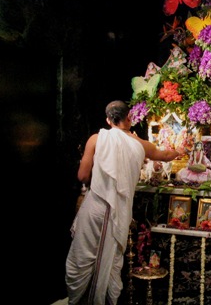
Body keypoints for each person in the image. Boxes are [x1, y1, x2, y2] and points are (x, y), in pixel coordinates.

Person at [65, 100, 185, 305]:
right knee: (108, 261)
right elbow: (165, 155)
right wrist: (180, 149)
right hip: (117, 212)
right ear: (129, 118)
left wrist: (100, 177)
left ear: (108, 120)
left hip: (94, 207)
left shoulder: (96, 139)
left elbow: (82, 175)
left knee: (81, 258)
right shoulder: (140, 144)